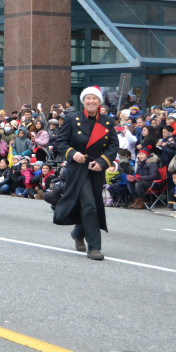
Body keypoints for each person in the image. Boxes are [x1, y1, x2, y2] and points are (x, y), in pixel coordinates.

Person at [53, 86, 119, 261]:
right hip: (78, 169)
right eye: (88, 98)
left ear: (99, 102)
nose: (91, 101)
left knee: (93, 205)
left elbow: (113, 146)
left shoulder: (107, 121)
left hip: (96, 169)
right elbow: (61, 141)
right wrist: (72, 153)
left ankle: (77, 233)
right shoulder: (72, 118)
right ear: (83, 101)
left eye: (94, 98)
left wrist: (102, 162)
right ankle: (94, 247)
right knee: (89, 205)